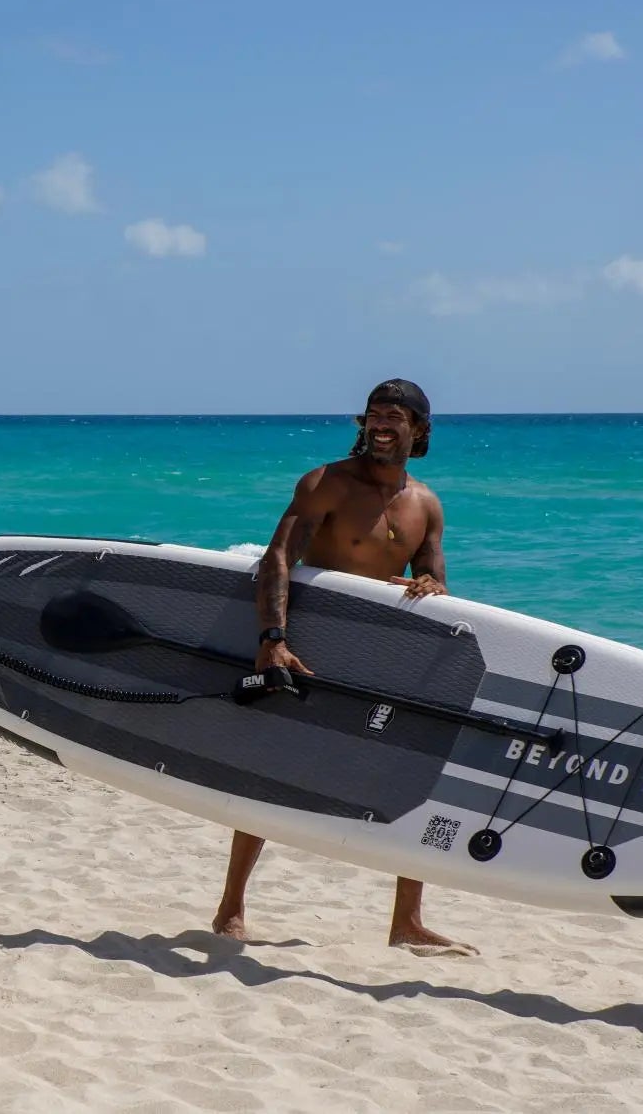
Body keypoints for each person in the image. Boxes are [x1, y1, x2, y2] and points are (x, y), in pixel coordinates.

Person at [211, 378, 476, 956]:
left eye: (395, 416)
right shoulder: (327, 483)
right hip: (308, 640)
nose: (381, 424)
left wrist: (430, 586)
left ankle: (407, 921)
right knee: (272, 767)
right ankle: (230, 908)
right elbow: (277, 556)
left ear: (419, 430)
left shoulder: (425, 505)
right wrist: (273, 638)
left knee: (410, 771)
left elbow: (436, 585)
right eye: (373, 414)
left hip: (378, 650)